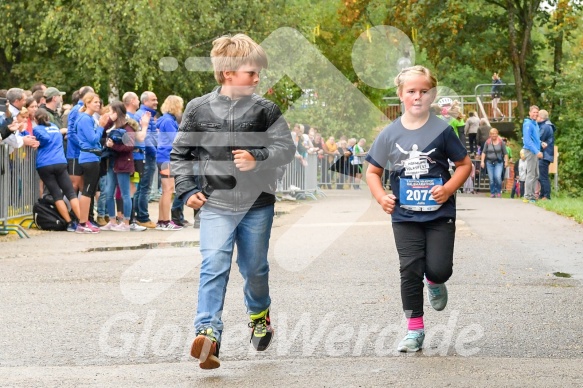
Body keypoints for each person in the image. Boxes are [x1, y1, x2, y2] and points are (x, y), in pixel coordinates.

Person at [171, 33, 296, 369]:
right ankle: (208, 333)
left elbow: (287, 149)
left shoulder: (266, 110)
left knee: (255, 269)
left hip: (257, 205)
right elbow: (180, 154)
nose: (257, 79)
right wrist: (186, 190)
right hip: (215, 204)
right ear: (228, 73)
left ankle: (258, 313)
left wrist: (258, 157)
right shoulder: (198, 108)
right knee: (214, 265)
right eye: (251, 73)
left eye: (258, 73)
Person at [365, 65, 471, 353]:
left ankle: (435, 281)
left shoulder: (443, 130)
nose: (417, 96)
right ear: (401, 95)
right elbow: (372, 172)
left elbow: (464, 166)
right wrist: (380, 196)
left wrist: (448, 189)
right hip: (405, 215)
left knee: (439, 268)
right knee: (409, 269)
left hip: (439, 213)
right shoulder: (390, 134)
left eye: (424, 91)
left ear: (432, 95)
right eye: (411, 91)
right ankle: (414, 330)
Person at [32, 109, 81, 231]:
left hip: (45, 164)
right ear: (48, 118)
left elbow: (45, 139)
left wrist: (39, 141)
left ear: (35, 119)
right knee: (70, 192)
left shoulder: (37, 129)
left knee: (56, 195)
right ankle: (82, 221)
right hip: (60, 161)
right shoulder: (54, 127)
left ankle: (69, 223)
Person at [100, 101, 140, 232]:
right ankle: (112, 221)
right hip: (112, 162)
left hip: (123, 163)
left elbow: (129, 146)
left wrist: (114, 146)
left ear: (116, 112)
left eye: (111, 112)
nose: (109, 114)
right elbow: (102, 134)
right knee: (108, 192)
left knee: (125, 194)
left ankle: (127, 222)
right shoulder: (113, 127)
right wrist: (109, 122)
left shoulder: (128, 127)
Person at [75, 92, 109, 233]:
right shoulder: (85, 119)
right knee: (87, 191)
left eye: (99, 102)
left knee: (89, 191)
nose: (98, 104)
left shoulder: (86, 118)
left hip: (92, 157)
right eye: (95, 102)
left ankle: (85, 221)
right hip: (89, 157)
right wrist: (101, 126)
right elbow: (93, 139)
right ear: (87, 103)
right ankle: (82, 223)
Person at [155, 95, 184, 230]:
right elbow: (176, 140)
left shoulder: (164, 119)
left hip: (162, 157)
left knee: (165, 191)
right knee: (168, 190)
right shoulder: (168, 121)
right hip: (167, 158)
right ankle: (166, 221)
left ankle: (162, 220)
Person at [133, 91, 158, 229]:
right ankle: (142, 216)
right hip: (147, 156)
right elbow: (147, 138)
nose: (156, 102)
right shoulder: (144, 115)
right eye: (153, 100)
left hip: (148, 155)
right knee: (144, 188)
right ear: (145, 102)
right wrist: (156, 153)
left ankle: (139, 215)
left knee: (142, 188)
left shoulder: (148, 114)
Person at [480, 128, 508, 198]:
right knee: (491, 179)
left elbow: (505, 153)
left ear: (497, 134)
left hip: (498, 162)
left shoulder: (501, 142)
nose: (494, 136)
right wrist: (482, 161)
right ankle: (492, 192)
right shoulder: (488, 142)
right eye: (492, 134)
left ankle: (498, 191)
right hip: (489, 162)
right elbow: (484, 152)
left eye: (495, 134)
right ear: (490, 135)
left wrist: (506, 162)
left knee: (498, 177)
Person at [522, 105, 542, 203]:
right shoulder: (528, 124)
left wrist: (541, 143)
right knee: (531, 174)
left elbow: (535, 138)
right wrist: (536, 151)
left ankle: (532, 195)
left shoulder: (535, 124)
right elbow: (527, 140)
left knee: (536, 174)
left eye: (537, 112)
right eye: (533, 112)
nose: (535, 114)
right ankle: (528, 196)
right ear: (529, 113)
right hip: (530, 151)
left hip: (534, 150)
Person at [537, 109, 555, 200]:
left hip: (544, 155)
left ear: (541, 117)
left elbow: (538, 138)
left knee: (543, 177)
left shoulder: (545, 127)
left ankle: (546, 196)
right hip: (547, 154)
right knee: (541, 176)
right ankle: (542, 194)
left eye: (537, 116)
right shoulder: (548, 126)